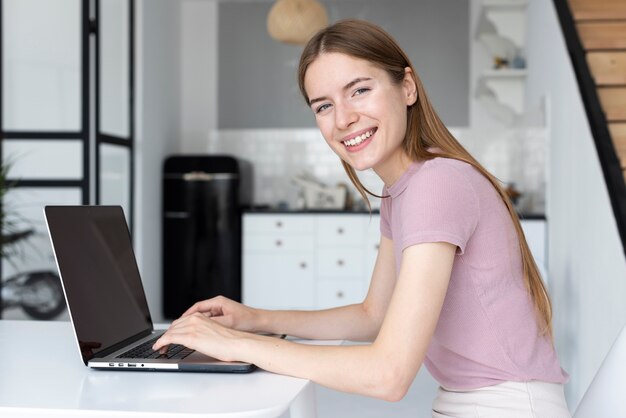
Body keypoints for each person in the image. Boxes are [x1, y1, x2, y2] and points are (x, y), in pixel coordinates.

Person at [154, 19, 570, 417]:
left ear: (407, 87)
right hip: (474, 402)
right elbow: (374, 315)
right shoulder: (401, 190)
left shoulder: (437, 183)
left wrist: (236, 345)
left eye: (359, 90)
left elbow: (388, 376)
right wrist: (255, 320)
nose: (342, 119)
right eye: (323, 105)